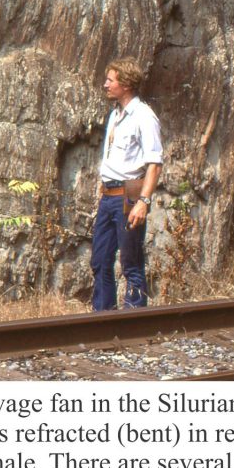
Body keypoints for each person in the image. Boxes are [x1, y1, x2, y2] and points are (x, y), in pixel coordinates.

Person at [91, 57, 162, 310]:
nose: (105, 85)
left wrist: (143, 202)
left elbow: (154, 164)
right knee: (100, 260)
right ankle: (103, 317)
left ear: (126, 84)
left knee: (131, 263)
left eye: (110, 80)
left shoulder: (144, 116)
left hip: (128, 197)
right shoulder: (115, 115)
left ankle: (135, 321)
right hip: (108, 196)